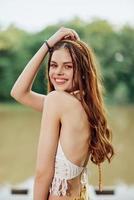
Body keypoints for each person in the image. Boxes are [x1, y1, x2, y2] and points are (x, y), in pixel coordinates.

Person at [10, 27, 114, 200]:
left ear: (82, 71)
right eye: (53, 65)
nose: (58, 72)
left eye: (68, 66)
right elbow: (19, 93)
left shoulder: (57, 101)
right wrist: (48, 45)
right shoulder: (84, 104)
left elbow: (42, 173)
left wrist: (47, 44)